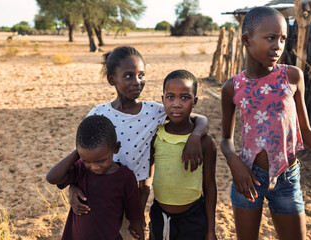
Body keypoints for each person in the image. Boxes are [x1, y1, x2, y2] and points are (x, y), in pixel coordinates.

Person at [67, 46, 209, 238]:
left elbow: (199, 118)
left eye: (141, 75)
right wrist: (72, 186)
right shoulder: (98, 113)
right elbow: (84, 154)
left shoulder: (154, 111)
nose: (137, 82)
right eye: (128, 76)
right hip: (96, 195)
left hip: (132, 198)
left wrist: (195, 136)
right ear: (112, 79)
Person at [220, 6, 311, 240]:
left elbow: (306, 132)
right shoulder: (232, 87)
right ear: (247, 40)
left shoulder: (292, 77)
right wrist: (234, 163)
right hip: (247, 177)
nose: (278, 45)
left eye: (282, 39)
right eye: (271, 38)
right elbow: (226, 139)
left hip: (287, 177)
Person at [46, 115, 145, 240]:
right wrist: (78, 153)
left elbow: (135, 215)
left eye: (101, 161)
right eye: (87, 160)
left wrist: (140, 234)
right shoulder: (81, 169)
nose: (94, 167)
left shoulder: (125, 177)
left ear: (115, 148)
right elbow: (52, 178)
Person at [148, 70, 217, 240]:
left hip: (193, 218)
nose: (177, 104)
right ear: (162, 99)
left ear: (195, 102)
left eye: (185, 98)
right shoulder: (155, 135)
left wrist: (211, 230)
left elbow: (210, 187)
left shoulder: (206, 142)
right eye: (170, 97)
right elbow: (146, 179)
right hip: (159, 216)